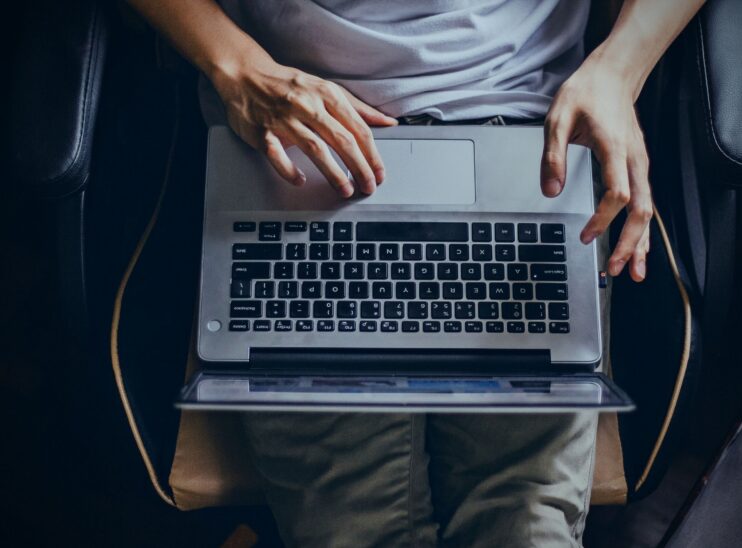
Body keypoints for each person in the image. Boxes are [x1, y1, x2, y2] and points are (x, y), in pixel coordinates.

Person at [128, 1, 705, 546]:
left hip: (527, 144)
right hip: (305, 144)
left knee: (524, 525)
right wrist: (235, 65)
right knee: (352, 528)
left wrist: (618, 70)